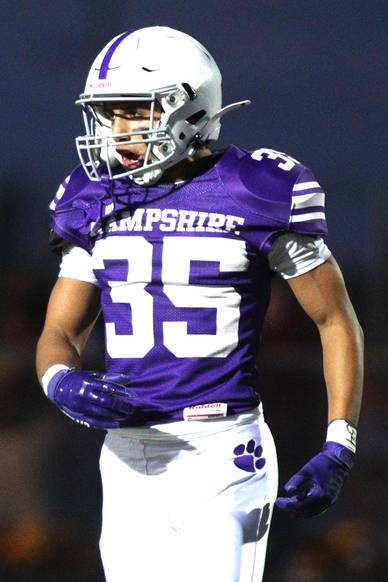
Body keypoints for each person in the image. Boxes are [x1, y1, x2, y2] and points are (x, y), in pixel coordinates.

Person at [35, 26, 364, 582]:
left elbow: (334, 319)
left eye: (133, 112)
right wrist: (59, 381)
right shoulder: (94, 199)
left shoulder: (255, 188)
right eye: (108, 113)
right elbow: (58, 333)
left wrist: (340, 440)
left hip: (220, 451)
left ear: (188, 108)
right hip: (125, 453)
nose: (116, 131)